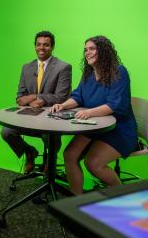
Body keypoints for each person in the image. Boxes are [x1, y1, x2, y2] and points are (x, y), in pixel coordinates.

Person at [50, 35, 138, 194]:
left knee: (93, 163)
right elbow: (78, 96)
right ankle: (77, 202)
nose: (87, 53)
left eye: (91, 49)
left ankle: (123, 195)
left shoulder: (119, 71)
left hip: (119, 129)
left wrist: (89, 112)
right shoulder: (89, 72)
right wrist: (62, 105)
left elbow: (114, 104)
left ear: (103, 51)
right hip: (94, 127)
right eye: (85, 49)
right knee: (69, 155)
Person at [1, 31, 72, 174]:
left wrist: (34, 96)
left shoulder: (63, 67)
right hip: (29, 116)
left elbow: (61, 97)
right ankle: (29, 152)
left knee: (50, 137)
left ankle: (49, 161)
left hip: (51, 117)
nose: (42, 48)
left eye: (46, 45)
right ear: (34, 46)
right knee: (6, 132)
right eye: (38, 44)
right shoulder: (27, 67)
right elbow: (20, 98)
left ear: (52, 47)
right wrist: (30, 101)